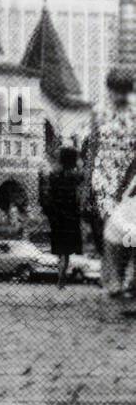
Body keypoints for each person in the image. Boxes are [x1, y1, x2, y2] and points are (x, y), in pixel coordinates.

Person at [84, 69, 136, 299]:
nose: (121, 96)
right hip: (104, 179)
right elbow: (93, 148)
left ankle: (130, 279)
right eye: (116, 90)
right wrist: (87, 185)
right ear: (109, 89)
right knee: (110, 230)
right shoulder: (98, 113)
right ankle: (114, 281)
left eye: (125, 91)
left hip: (131, 178)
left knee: (130, 231)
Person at [41, 146, 83, 289]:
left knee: (61, 251)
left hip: (57, 216)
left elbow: (47, 196)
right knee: (66, 251)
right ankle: (62, 278)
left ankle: (61, 277)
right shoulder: (75, 176)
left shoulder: (54, 175)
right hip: (71, 216)